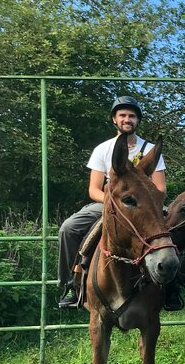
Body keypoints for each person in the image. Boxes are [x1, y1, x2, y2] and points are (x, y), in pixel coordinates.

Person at [57, 96, 166, 308]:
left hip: (145, 205)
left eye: (132, 116)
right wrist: (115, 203)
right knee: (68, 229)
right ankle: (71, 283)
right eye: (122, 115)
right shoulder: (103, 149)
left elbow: (160, 188)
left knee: (176, 227)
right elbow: (93, 189)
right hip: (110, 203)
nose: (127, 119)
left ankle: (172, 287)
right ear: (114, 119)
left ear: (138, 120)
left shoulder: (150, 150)